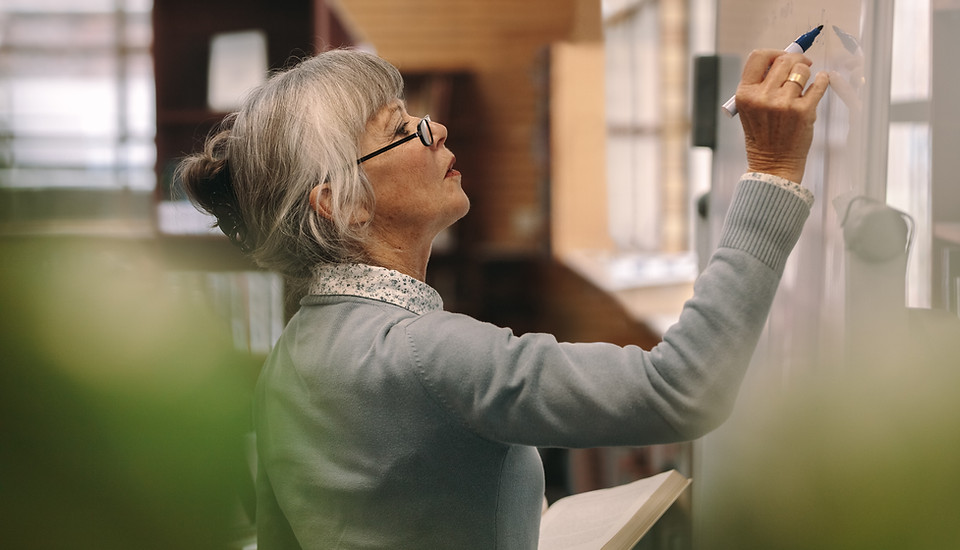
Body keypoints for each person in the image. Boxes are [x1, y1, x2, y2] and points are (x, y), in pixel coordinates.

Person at [177, 47, 829, 549]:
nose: (434, 129)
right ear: (342, 206)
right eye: (401, 129)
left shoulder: (292, 354)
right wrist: (771, 175)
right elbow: (681, 387)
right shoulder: (426, 352)